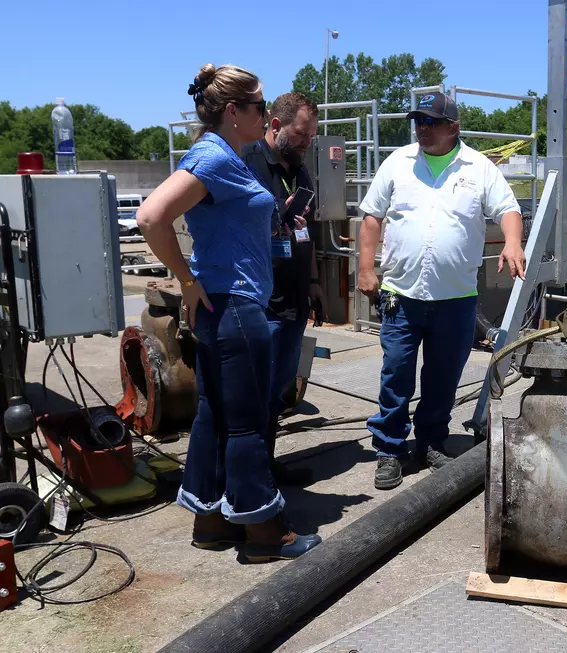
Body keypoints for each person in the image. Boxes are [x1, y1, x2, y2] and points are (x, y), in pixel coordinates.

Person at [136, 63, 321, 562]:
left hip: (228, 305)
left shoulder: (228, 156)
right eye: (260, 106)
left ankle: (211, 519)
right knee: (246, 423)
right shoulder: (213, 157)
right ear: (235, 112)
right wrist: (187, 279)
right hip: (236, 306)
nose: (266, 113)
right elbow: (151, 217)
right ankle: (264, 532)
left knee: (215, 415)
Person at [357, 91, 526, 490]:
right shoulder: (398, 162)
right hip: (402, 292)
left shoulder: (479, 168)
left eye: (431, 122)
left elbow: (508, 209)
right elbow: (371, 217)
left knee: (443, 376)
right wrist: (365, 267)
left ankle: (431, 439)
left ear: (454, 127)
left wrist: (513, 242)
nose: (423, 128)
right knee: (396, 372)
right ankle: (389, 449)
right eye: (419, 121)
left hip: (455, 297)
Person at [242, 92, 324, 486]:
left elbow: (309, 231)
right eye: (302, 135)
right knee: (252, 396)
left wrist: (313, 282)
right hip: (260, 305)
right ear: (276, 126)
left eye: (312, 136)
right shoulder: (248, 164)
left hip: (292, 303)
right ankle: (249, 477)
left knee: (276, 394)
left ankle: (266, 468)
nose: (308, 143)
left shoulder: (301, 172)